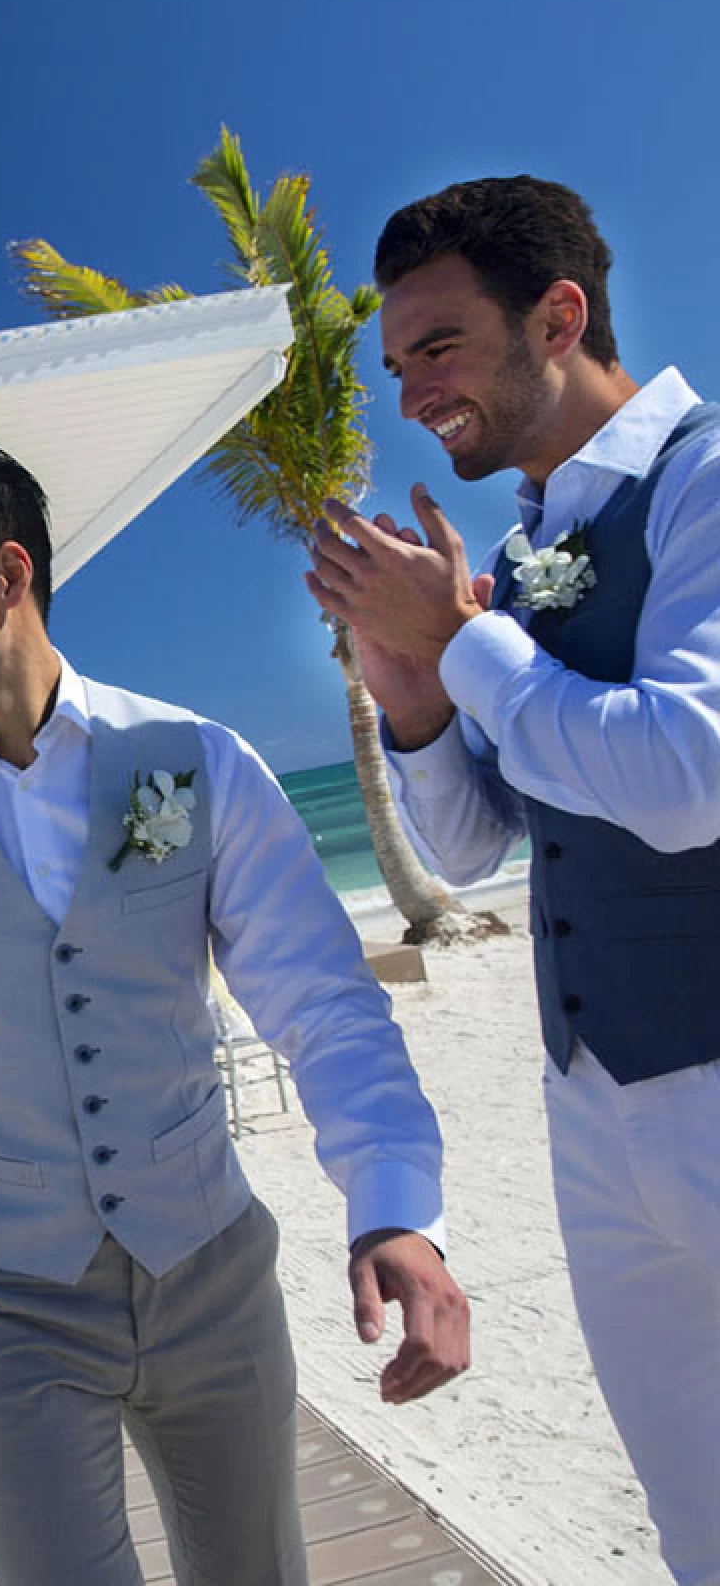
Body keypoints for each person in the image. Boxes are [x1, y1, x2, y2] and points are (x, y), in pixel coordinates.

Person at [0, 446, 470, 1585]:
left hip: (211, 1277)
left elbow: (320, 1000)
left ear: (4, 573)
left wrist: (394, 1207)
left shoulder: (192, 762)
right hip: (3, 1302)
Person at [308, 175, 720, 1586]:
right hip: (590, 1105)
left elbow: (685, 775)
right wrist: (411, 690)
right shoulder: (512, 554)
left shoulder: (706, 480)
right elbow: (483, 846)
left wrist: (467, 646)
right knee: (694, 1524)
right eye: (395, 365)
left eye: (437, 345)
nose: (411, 391)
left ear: (559, 315)